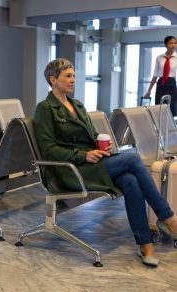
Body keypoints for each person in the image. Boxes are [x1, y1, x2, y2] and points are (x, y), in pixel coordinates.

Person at [34, 58, 177, 267]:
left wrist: (102, 148)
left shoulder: (77, 105)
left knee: (130, 181)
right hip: (71, 170)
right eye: (68, 76)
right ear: (53, 80)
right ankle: (168, 218)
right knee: (133, 159)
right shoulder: (45, 109)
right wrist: (84, 155)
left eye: (73, 75)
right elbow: (48, 150)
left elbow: (92, 136)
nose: (73, 80)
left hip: (91, 164)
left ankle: (145, 244)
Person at [144, 35, 177, 116]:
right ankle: (160, 128)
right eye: (171, 43)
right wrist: (148, 91)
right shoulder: (159, 58)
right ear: (166, 45)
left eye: (175, 43)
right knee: (159, 110)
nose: (173, 45)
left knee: (171, 110)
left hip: (171, 84)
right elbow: (155, 75)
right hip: (161, 84)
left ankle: (170, 128)